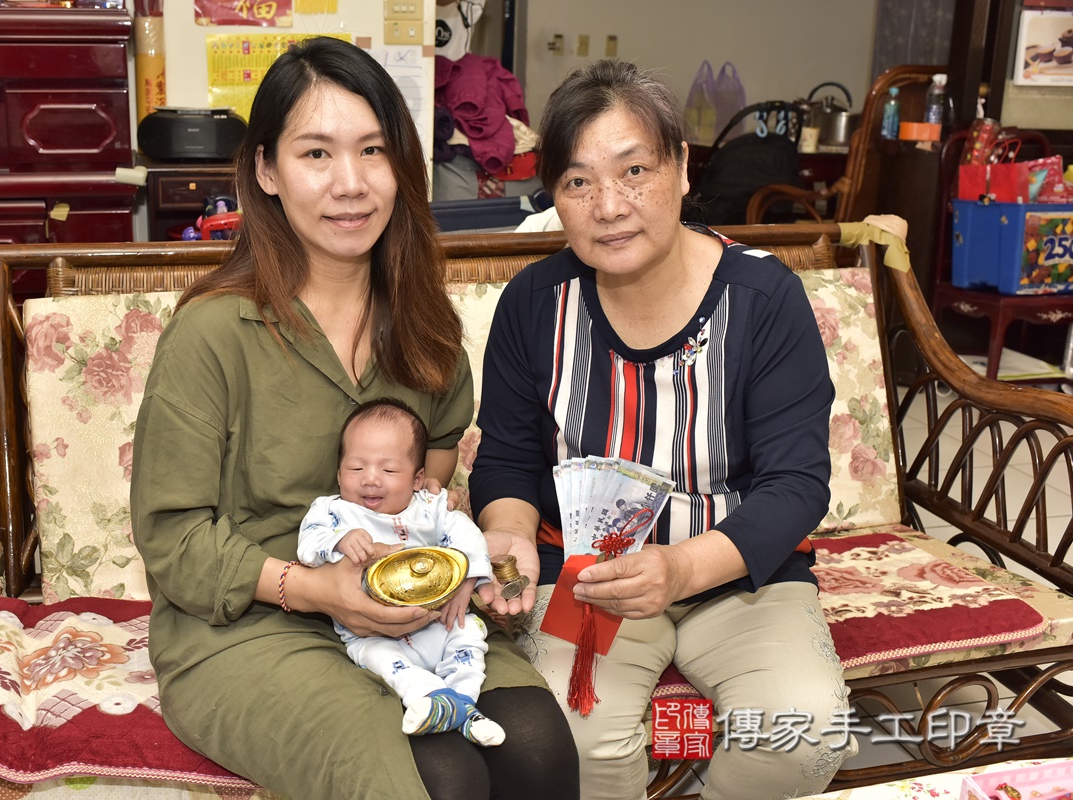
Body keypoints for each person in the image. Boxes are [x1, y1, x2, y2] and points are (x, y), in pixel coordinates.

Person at [130, 36, 576, 800]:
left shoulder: (425, 327)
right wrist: (315, 588)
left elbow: (428, 489)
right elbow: (171, 538)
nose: (350, 183)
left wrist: (462, 566)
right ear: (266, 170)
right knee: (436, 777)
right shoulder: (212, 333)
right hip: (247, 621)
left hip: (402, 610)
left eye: (372, 150)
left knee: (539, 749)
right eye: (316, 153)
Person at [468, 59, 853, 800]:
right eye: (578, 182)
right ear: (554, 196)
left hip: (739, 575)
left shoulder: (762, 297)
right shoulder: (535, 304)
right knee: (568, 739)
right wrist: (508, 536)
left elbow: (795, 484)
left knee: (803, 735)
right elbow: (509, 460)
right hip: (588, 574)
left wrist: (678, 569)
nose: (609, 206)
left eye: (634, 170)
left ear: (680, 167)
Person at [298, 398, 504, 747]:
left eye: (389, 471)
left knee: (469, 634)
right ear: (339, 474)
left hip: (436, 617)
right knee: (381, 660)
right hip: (370, 629)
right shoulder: (333, 513)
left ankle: (464, 700)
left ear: (417, 478)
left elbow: (466, 534)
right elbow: (307, 547)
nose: (370, 479)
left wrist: (468, 577)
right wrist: (338, 540)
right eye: (356, 468)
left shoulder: (430, 507)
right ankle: (430, 698)